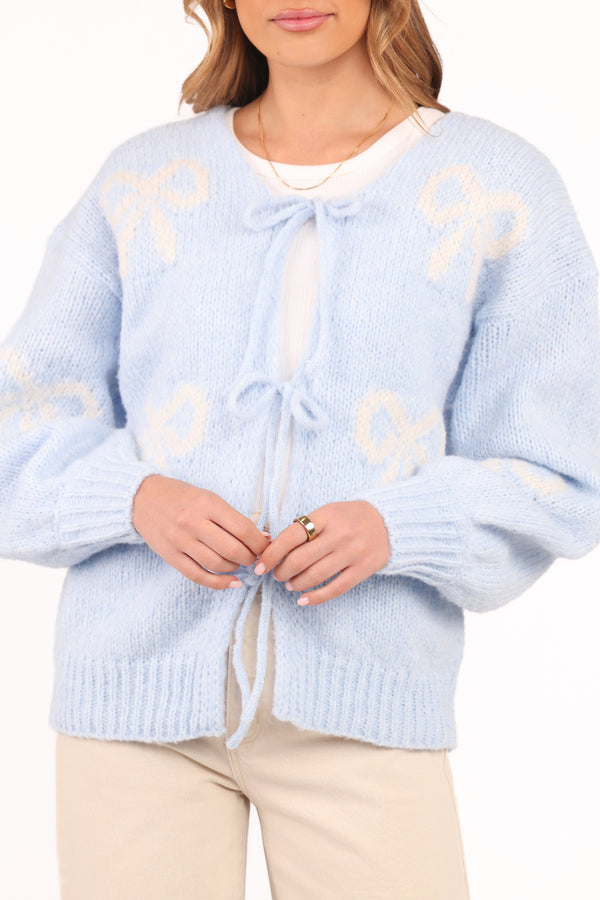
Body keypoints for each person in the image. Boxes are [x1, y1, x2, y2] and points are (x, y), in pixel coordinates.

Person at [1, 0, 599, 896]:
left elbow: (559, 470)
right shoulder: (143, 180)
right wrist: (134, 499)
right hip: (131, 704)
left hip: (365, 708)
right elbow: (20, 424)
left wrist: (399, 526)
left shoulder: (495, 186)